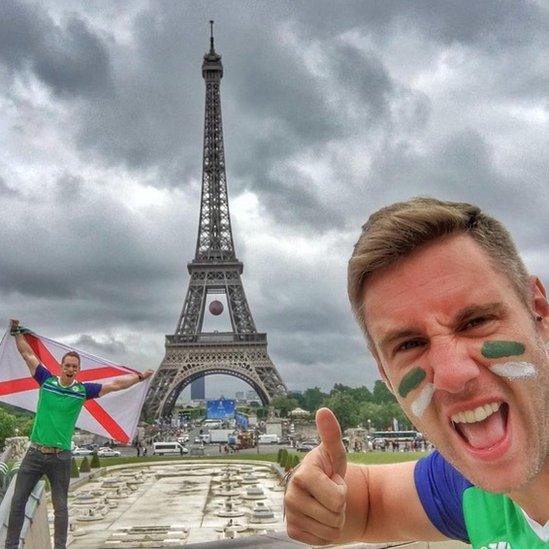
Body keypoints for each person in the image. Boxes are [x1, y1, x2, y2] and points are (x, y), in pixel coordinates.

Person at [284, 198, 548, 548]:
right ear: (386, 374)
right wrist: (309, 497)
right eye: (409, 345)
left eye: (476, 322)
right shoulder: (470, 490)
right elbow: (365, 504)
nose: (452, 375)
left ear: (540, 314)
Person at [5, 319, 154, 549]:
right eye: (68, 365)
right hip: (35, 453)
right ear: (61, 366)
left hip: (60, 456)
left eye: (75, 366)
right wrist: (16, 333)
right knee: (18, 501)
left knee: (61, 507)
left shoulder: (82, 391)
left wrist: (140, 377)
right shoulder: (47, 381)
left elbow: (115, 385)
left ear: (78, 369)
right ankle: (11, 546)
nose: (71, 369)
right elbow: (27, 355)